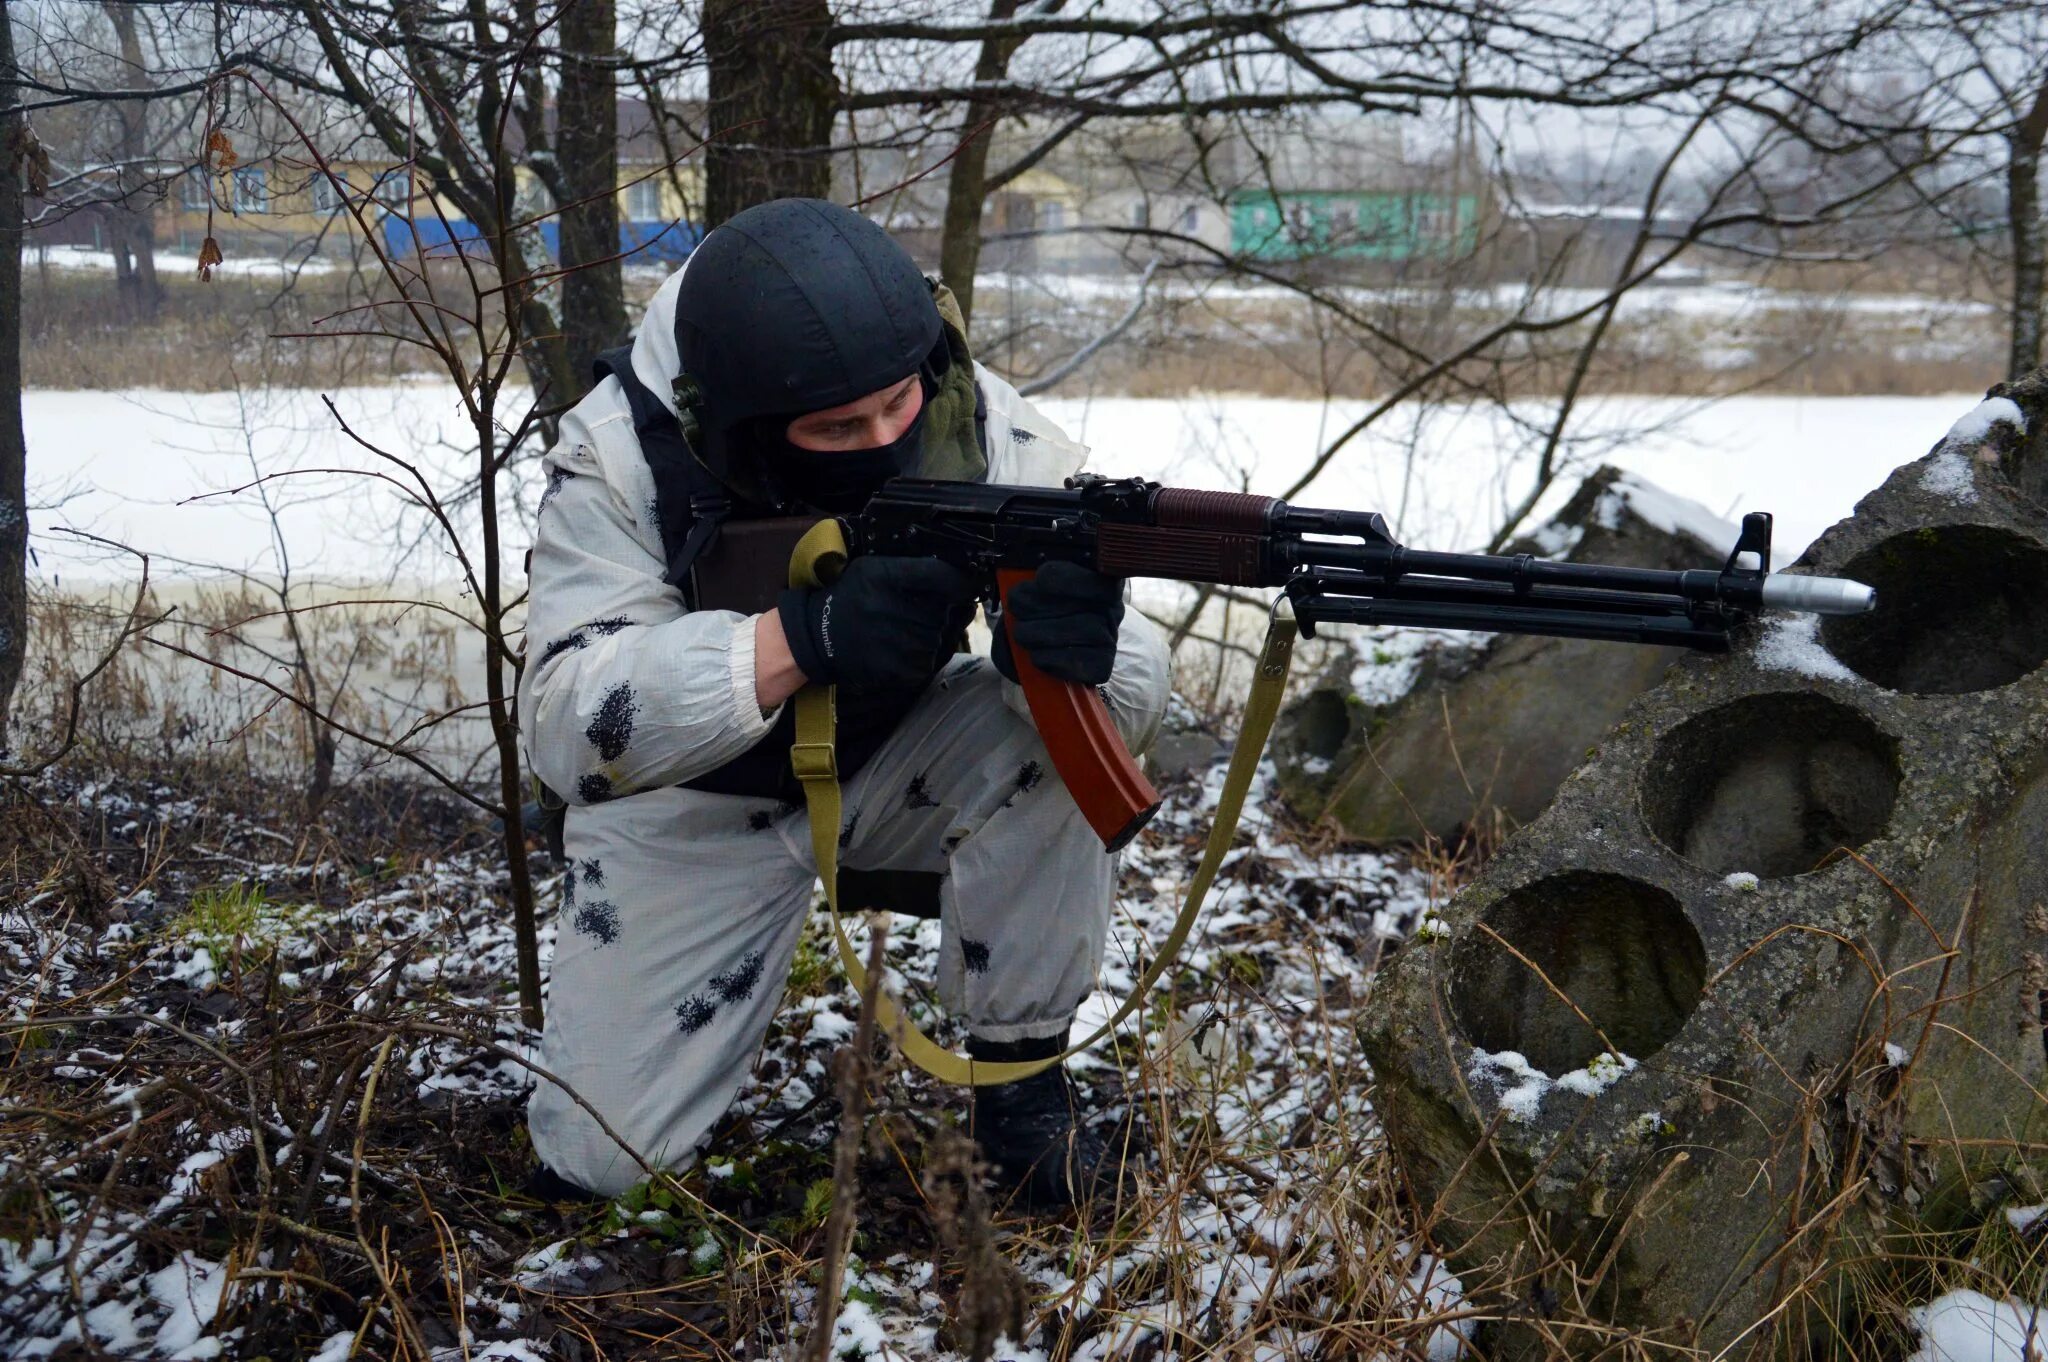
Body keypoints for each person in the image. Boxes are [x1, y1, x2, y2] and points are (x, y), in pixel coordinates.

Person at [517, 198, 1170, 1207]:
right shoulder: (619, 453)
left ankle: (1024, 1094)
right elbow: (564, 721)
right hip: (687, 810)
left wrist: (1087, 642)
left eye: (895, 406)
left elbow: (1127, 700)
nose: (880, 439)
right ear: (737, 423)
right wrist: (791, 641)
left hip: (888, 763)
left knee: (1050, 732)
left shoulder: (977, 417)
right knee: (602, 1162)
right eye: (837, 428)